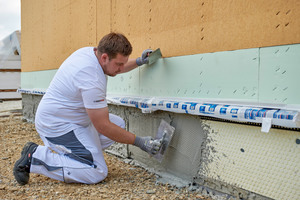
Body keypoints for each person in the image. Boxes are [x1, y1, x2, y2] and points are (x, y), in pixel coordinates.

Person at [13, 32, 162, 185]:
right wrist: (141, 142)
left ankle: (76, 155)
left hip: (71, 119)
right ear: (104, 57)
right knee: (97, 171)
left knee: (118, 125)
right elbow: (102, 126)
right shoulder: (90, 77)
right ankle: (36, 157)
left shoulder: (91, 53)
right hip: (57, 125)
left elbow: (113, 67)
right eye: (119, 64)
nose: (121, 68)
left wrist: (139, 61)